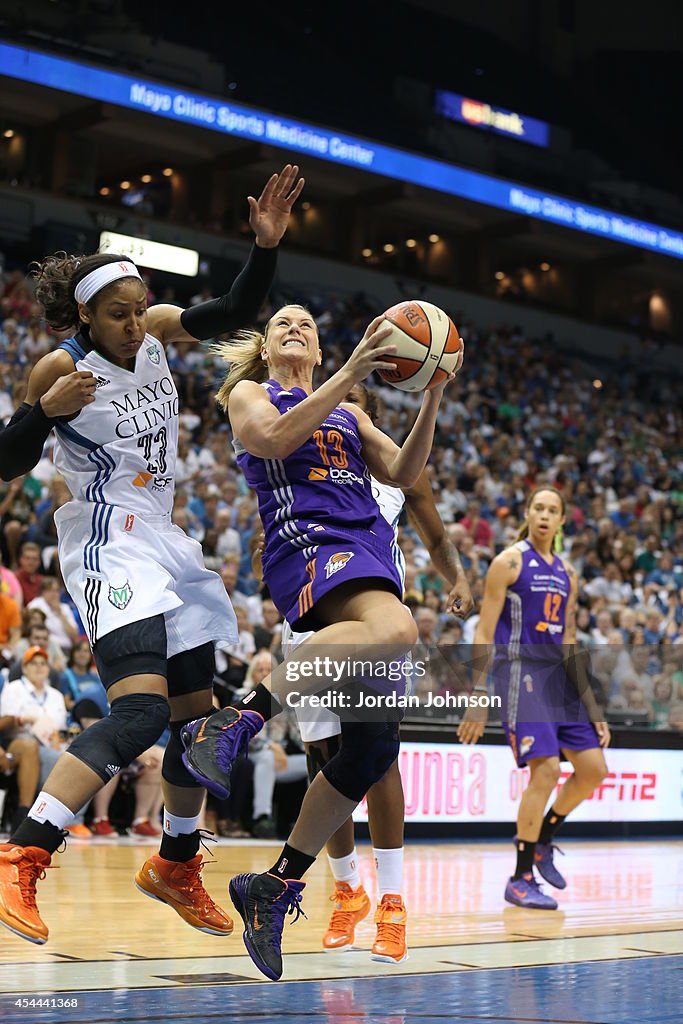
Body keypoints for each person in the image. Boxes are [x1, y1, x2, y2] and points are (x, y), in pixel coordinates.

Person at [0, 163, 304, 945]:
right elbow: (6, 462)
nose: (136, 325)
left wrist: (263, 246)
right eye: (118, 314)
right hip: (106, 539)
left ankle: (174, 861)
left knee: (199, 726)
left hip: (164, 538)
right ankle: (26, 852)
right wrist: (39, 414)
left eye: (140, 310)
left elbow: (235, 307)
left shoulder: (160, 332)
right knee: (138, 713)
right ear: (84, 314)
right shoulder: (61, 369)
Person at [181, 303, 459, 979]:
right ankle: (240, 714)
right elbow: (272, 440)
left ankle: (274, 884)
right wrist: (347, 375)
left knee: (368, 753)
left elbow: (402, 475)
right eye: (282, 323)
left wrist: (431, 397)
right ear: (269, 346)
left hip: (366, 553)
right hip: (309, 541)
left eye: (305, 322)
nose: (295, 327)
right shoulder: (252, 393)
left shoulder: (353, 413)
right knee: (396, 628)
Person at [275, 382, 474, 963]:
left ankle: (392, 901)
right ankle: (346, 890)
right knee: (324, 760)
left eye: (356, 396)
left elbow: (435, 534)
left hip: (377, 623)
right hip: (310, 620)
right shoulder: (303, 457)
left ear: (369, 413)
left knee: (377, 757)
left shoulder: (391, 465)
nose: (343, 402)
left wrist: (456, 575)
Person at [458, 486, 610, 909]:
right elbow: (484, 632)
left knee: (594, 769)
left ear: (562, 521)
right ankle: (521, 876)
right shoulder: (508, 562)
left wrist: (593, 706)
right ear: (528, 514)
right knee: (545, 771)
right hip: (519, 674)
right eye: (538, 508)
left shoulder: (568, 573)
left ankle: (542, 840)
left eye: (553, 510)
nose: (544, 515)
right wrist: (477, 693)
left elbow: (571, 643)